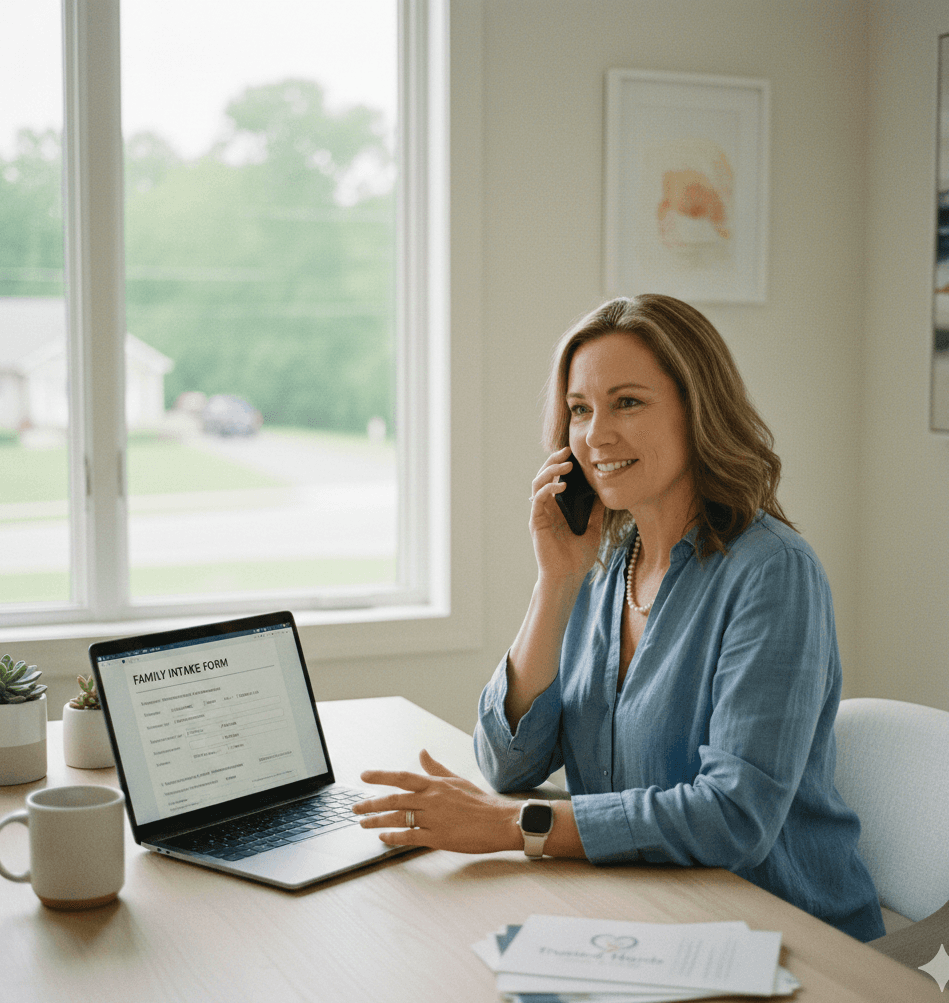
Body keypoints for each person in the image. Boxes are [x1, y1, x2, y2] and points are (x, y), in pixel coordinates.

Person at [353, 294, 886, 943]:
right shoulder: (604, 565)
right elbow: (505, 764)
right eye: (580, 409)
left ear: (697, 411)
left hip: (777, 933)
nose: (595, 435)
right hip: (642, 909)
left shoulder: (772, 573)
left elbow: (732, 820)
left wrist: (510, 825)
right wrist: (556, 580)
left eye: (627, 402)